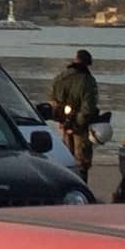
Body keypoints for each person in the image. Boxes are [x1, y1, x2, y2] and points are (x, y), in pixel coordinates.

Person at [50, 49, 101, 182]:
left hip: (64, 125)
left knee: (66, 161)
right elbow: (88, 108)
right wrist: (77, 123)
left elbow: (53, 103)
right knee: (82, 164)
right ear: (87, 64)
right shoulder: (88, 81)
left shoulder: (60, 78)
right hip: (81, 129)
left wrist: (64, 121)